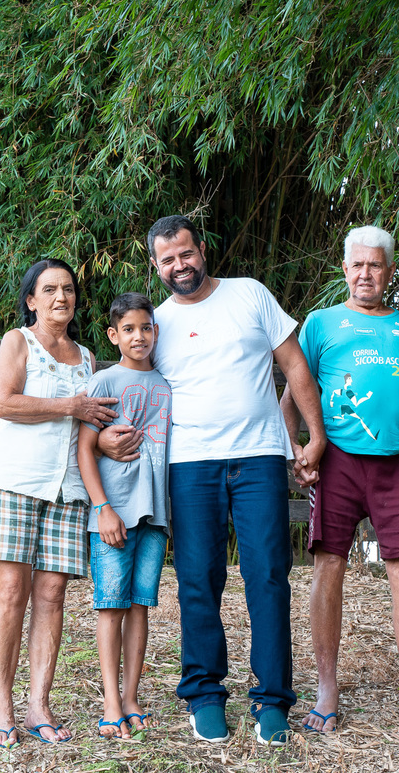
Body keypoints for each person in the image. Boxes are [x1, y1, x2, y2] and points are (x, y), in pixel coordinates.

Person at [99, 216, 325, 747]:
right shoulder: (153, 323)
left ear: (202, 249)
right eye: (167, 260)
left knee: (267, 576)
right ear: (156, 266)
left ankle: (272, 700)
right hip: (190, 463)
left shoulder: (250, 295)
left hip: (259, 457)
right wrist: (104, 438)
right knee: (199, 579)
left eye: (186, 254)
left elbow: (294, 366)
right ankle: (204, 692)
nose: (180, 266)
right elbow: (129, 379)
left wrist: (313, 438)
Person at [280, 225, 399, 740]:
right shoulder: (321, 324)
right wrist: (297, 453)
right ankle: (327, 690)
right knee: (329, 566)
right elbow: (292, 396)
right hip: (339, 461)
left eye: (375, 266)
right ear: (345, 269)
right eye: (357, 265)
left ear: (389, 272)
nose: (365, 274)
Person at [0, 259, 118, 748]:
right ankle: (1, 706)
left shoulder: (89, 357)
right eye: (50, 289)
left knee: (52, 595)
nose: (62, 297)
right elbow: (3, 403)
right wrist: (68, 406)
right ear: (31, 299)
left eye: (69, 289)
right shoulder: (19, 341)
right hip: (15, 480)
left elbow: (87, 428)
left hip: (68, 487)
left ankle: (39, 703)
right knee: (11, 591)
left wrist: (107, 442)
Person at [76, 292, 172, 739]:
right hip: (112, 513)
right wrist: (103, 508)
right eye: (129, 329)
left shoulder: (168, 384)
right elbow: (84, 449)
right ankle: (111, 703)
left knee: (139, 606)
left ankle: (132, 697)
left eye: (146, 327)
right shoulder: (104, 382)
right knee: (111, 606)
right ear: (114, 335)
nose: (139, 336)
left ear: (156, 330)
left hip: (155, 515)